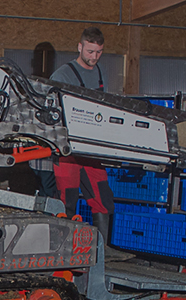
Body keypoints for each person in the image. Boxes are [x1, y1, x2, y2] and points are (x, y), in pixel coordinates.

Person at [47, 27, 116, 255]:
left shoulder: (100, 74)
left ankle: (101, 253)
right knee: (67, 200)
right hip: (67, 151)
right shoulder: (62, 75)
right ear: (80, 47)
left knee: (103, 201)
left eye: (98, 52)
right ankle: (62, 252)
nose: (94, 57)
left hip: (92, 150)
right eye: (90, 51)